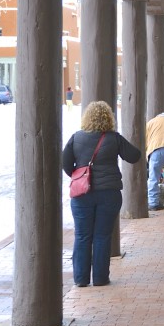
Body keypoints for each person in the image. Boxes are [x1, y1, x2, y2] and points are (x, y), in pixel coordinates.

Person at [62, 100, 141, 287]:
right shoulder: (114, 138)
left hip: (82, 194)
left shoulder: (76, 137)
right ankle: (100, 278)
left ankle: (81, 279)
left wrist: (81, 173)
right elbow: (134, 156)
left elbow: (65, 164)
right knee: (102, 236)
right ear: (108, 118)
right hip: (109, 193)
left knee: (82, 235)